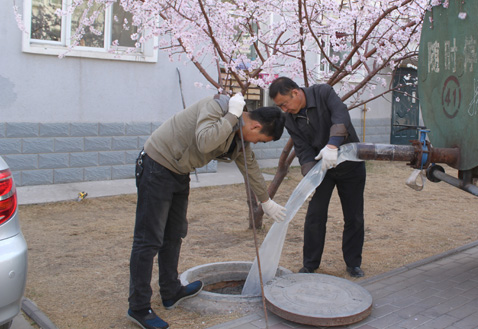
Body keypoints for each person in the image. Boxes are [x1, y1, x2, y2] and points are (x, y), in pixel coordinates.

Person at [127, 93, 287, 329]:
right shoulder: (217, 108)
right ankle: (138, 307)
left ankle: (170, 291)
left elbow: (249, 166)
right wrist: (232, 115)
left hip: (179, 173)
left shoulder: (239, 138)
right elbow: (205, 141)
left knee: (174, 234)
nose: (256, 144)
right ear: (255, 125)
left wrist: (266, 201)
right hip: (156, 167)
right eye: (261, 139)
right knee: (148, 240)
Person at [269, 77, 366, 278]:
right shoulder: (290, 119)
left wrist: (332, 144)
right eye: (280, 107)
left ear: (295, 93)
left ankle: (353, 263)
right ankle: (310, 264)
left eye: (284, 104)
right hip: (322, 170)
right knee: (314, 216)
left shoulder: (323, 93)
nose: (284, 110)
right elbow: (302, 149)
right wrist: (309, 178)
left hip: (350, 165)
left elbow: (341, 117)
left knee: (354, 216)